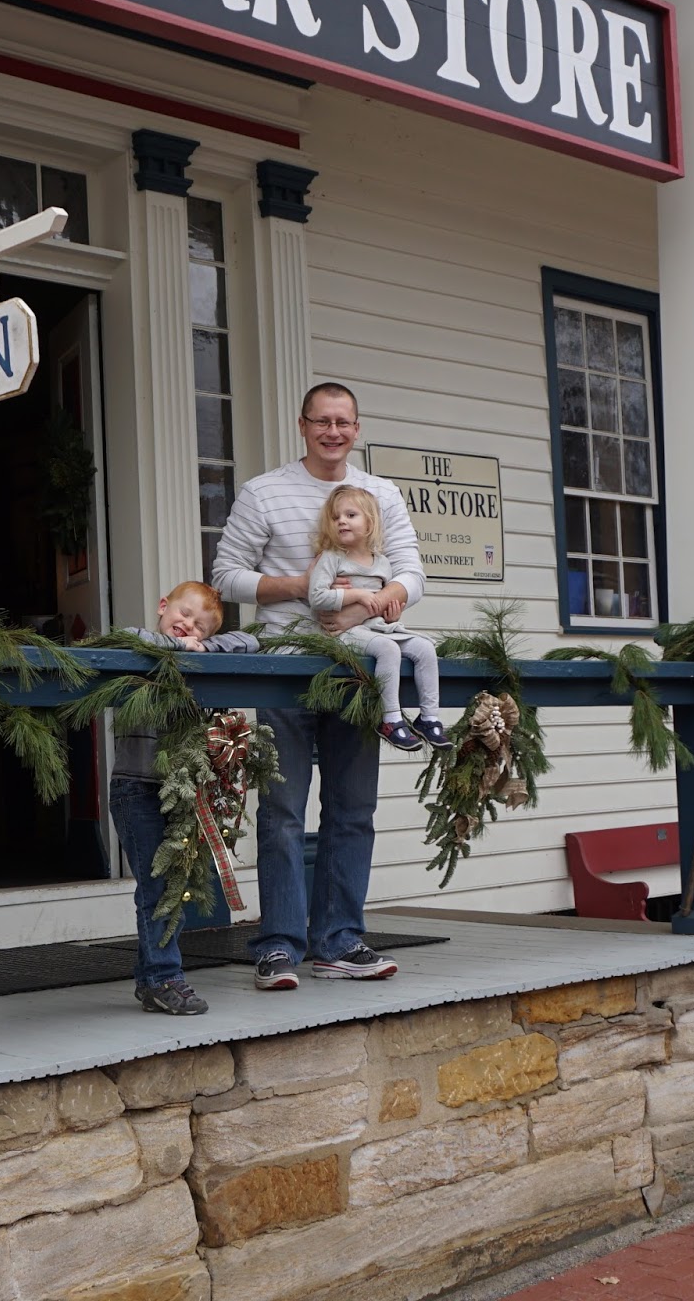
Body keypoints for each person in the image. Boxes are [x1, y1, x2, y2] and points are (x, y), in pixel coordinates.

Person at [213, 382, 425, 989]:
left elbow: (411, 571)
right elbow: (225, 577)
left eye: (343, 422)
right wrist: (302, 586)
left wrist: (380, 598)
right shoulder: (264, 492)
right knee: (282, 810)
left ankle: (340, 940)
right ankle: (279, 945)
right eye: (322, 421)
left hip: (356, 668)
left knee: (353, 809)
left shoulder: (381, 494)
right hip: (286, 666)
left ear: (357, 429)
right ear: (303, 425)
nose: (333, 432)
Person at [108, 580, 258, 1015]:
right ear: (162, 606)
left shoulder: (199, 653)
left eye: (201, 626)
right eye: (184, 614)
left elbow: (250, 642)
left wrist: (204, 648)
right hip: (136, 787)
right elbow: (128, 637)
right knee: (158, 888)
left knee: (171, 887)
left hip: (182, 790)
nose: (189, 625)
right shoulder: (141, 649)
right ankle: (164, 977)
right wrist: (180, 645)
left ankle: (151, 979)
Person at [309, 485, 447, 753]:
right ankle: (390, 719)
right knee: (388, 649)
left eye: (351, 515)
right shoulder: (331, 558)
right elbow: (316, 597)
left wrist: (391, 614)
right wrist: (356, 595)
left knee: (425, 648)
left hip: (377, 628)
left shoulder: (382, 563)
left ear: (369, 523)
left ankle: (429, 718)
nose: (342, 521)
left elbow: (379, 605)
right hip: (343, 633)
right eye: (336, 517)